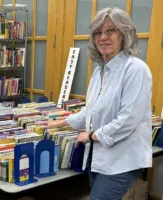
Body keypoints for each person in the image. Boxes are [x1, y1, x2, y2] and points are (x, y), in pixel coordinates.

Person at [36, 7, 152, 199]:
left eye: (110, 30)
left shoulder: (136, 70)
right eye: (98, 32)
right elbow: (90, 112)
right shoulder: (100, 71)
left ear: (124, 34)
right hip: (98, 157)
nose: (103, 37)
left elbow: (127, 120)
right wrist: (59, 123)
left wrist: (91, 136)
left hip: (122, 160)